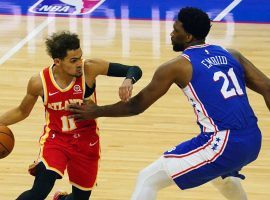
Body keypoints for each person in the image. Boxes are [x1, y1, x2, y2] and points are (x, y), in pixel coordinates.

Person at [67, 7, 270, 200]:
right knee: (222, 175)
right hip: (253, 139)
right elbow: (267, 87)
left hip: (222, 143)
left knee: (147, 178)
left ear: (189, 36)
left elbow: (136, 106)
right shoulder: (231, 54)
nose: (171, 34)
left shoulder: (178, 66)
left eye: (176, 30)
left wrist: (97, 111)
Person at [0, 31, 142, 200]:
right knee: (39, 190)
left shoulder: (89, 68)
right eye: (73, 61)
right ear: (57, 62)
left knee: (79, 198)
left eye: (80, 57)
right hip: (56, 139)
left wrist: (128, 80)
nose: (79, 64)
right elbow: (21, 111)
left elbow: (135, 69)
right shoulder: (39, 82)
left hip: (86, 141)